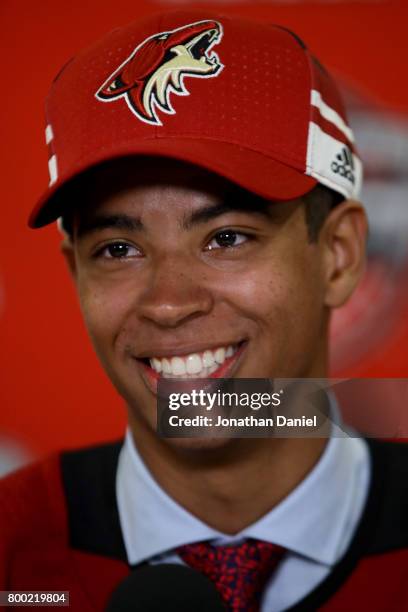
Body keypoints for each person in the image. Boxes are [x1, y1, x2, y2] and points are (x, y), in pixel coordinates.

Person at [1, 9, 408, 612]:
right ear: (75, 275)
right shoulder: (12, 546)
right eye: (119, 249)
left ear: (340, 256)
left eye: (227, 237)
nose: (169, 303)